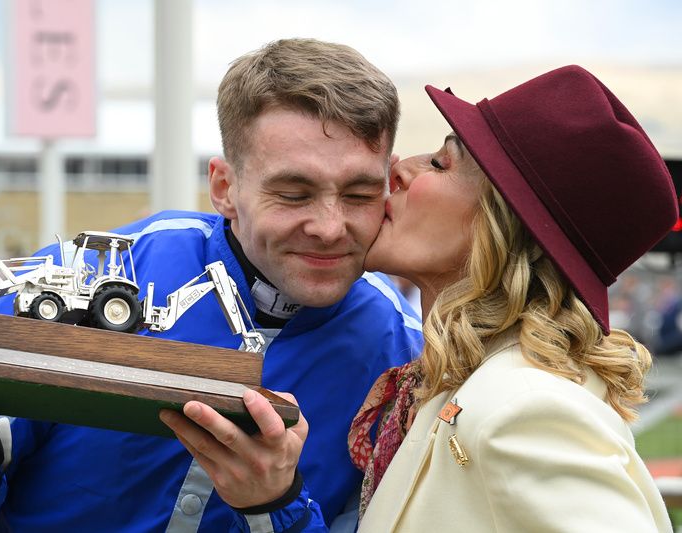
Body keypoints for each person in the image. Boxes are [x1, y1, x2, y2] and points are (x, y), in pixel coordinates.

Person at [0, 39, 422, 532]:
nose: (329, 227)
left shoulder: (405, 353)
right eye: (293, 193)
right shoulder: (94, 272)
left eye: (358, 194)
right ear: (224, 187)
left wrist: (275, 506)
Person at [163, 65, 676, 532]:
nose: (398, 171)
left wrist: (275, 502)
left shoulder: (527, 406)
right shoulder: (451, 385)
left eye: (440, 162)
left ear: (500, 226)